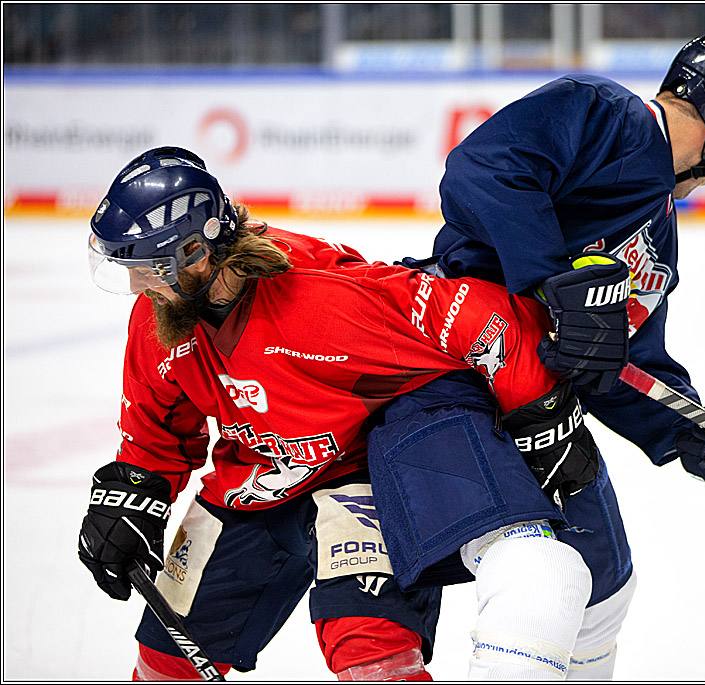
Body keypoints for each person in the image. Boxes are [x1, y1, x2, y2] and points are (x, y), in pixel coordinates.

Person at [365, 30, 705, 680]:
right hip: (451, 374)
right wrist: (557, 281)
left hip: (542, 406)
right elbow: (480, 171)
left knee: (605, 586)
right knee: (539, 584)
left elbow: (623, 364)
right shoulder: (601, 111)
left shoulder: (657, 233)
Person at [77, 146, 607, 680]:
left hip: (360, 471)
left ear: (198, 250)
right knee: (166, 664)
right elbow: (157, 431)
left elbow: (479, 318)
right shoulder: (162, 315)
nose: (138, 287)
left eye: (151, 269)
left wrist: (542, 417)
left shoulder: (320, 303)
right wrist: (135, 493)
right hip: (255, 478)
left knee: (373, 657)